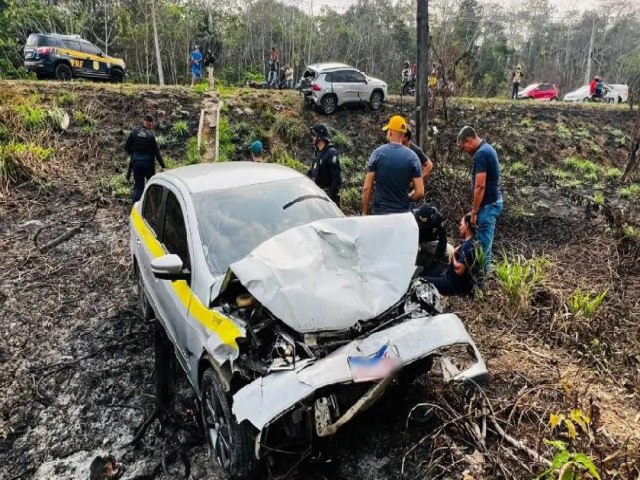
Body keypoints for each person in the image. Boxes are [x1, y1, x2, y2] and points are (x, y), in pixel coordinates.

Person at [457, 125, 503, 277]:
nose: (465, 151)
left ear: (469, 140)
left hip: (487, 206)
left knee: (483, 249)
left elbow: (480, 186)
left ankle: (481, 285)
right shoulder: (488, 149)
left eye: (464, 147)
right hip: (492, 202)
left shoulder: (482, 154)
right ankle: (482, 281)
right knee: (486, 246)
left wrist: (475, 212)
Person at [361, 115, 424, 215]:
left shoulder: (377, 154)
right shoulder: (413, 157)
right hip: (403, 214)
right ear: (403, 135)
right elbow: (420, 192)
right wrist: (407, 198)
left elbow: (367, 188)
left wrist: (365, 212)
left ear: (390, 132)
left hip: (381, 213)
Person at [424, 215, 478, 296]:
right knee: (430, 270)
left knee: (422, 281)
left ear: (467, 225)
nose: (459, 228)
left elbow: (459, 270)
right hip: (449, 274)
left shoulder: (467, 246)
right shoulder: (472, 241)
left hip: (453, 284)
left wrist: (453, 257)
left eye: (461, 225)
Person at [125, 115, 165, 202]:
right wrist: (163, 165)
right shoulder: (151, 136)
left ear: (144, 122)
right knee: (152, 185)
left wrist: (132, 153)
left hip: (137, 164)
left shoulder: (135, 132)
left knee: (139, 186)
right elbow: (156, 153)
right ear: (151, 124)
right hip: (148, 165)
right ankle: (153, 205)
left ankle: (136, 206)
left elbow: (127, 146)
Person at [308, 124, 341, 205]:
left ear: (320, 137)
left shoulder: (331, 153)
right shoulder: (317, 151)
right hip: (316, 195)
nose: (312, 137)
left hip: (327, 199)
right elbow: (313, 172)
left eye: (313, 135)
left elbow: (336, 179)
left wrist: (330, 199)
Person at [414, 203, 449, 273]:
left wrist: (437, 258)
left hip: (430, 242)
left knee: (450, 251)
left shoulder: (438, 218)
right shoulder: (412, 216)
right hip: (415, 242)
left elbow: (443, 239)